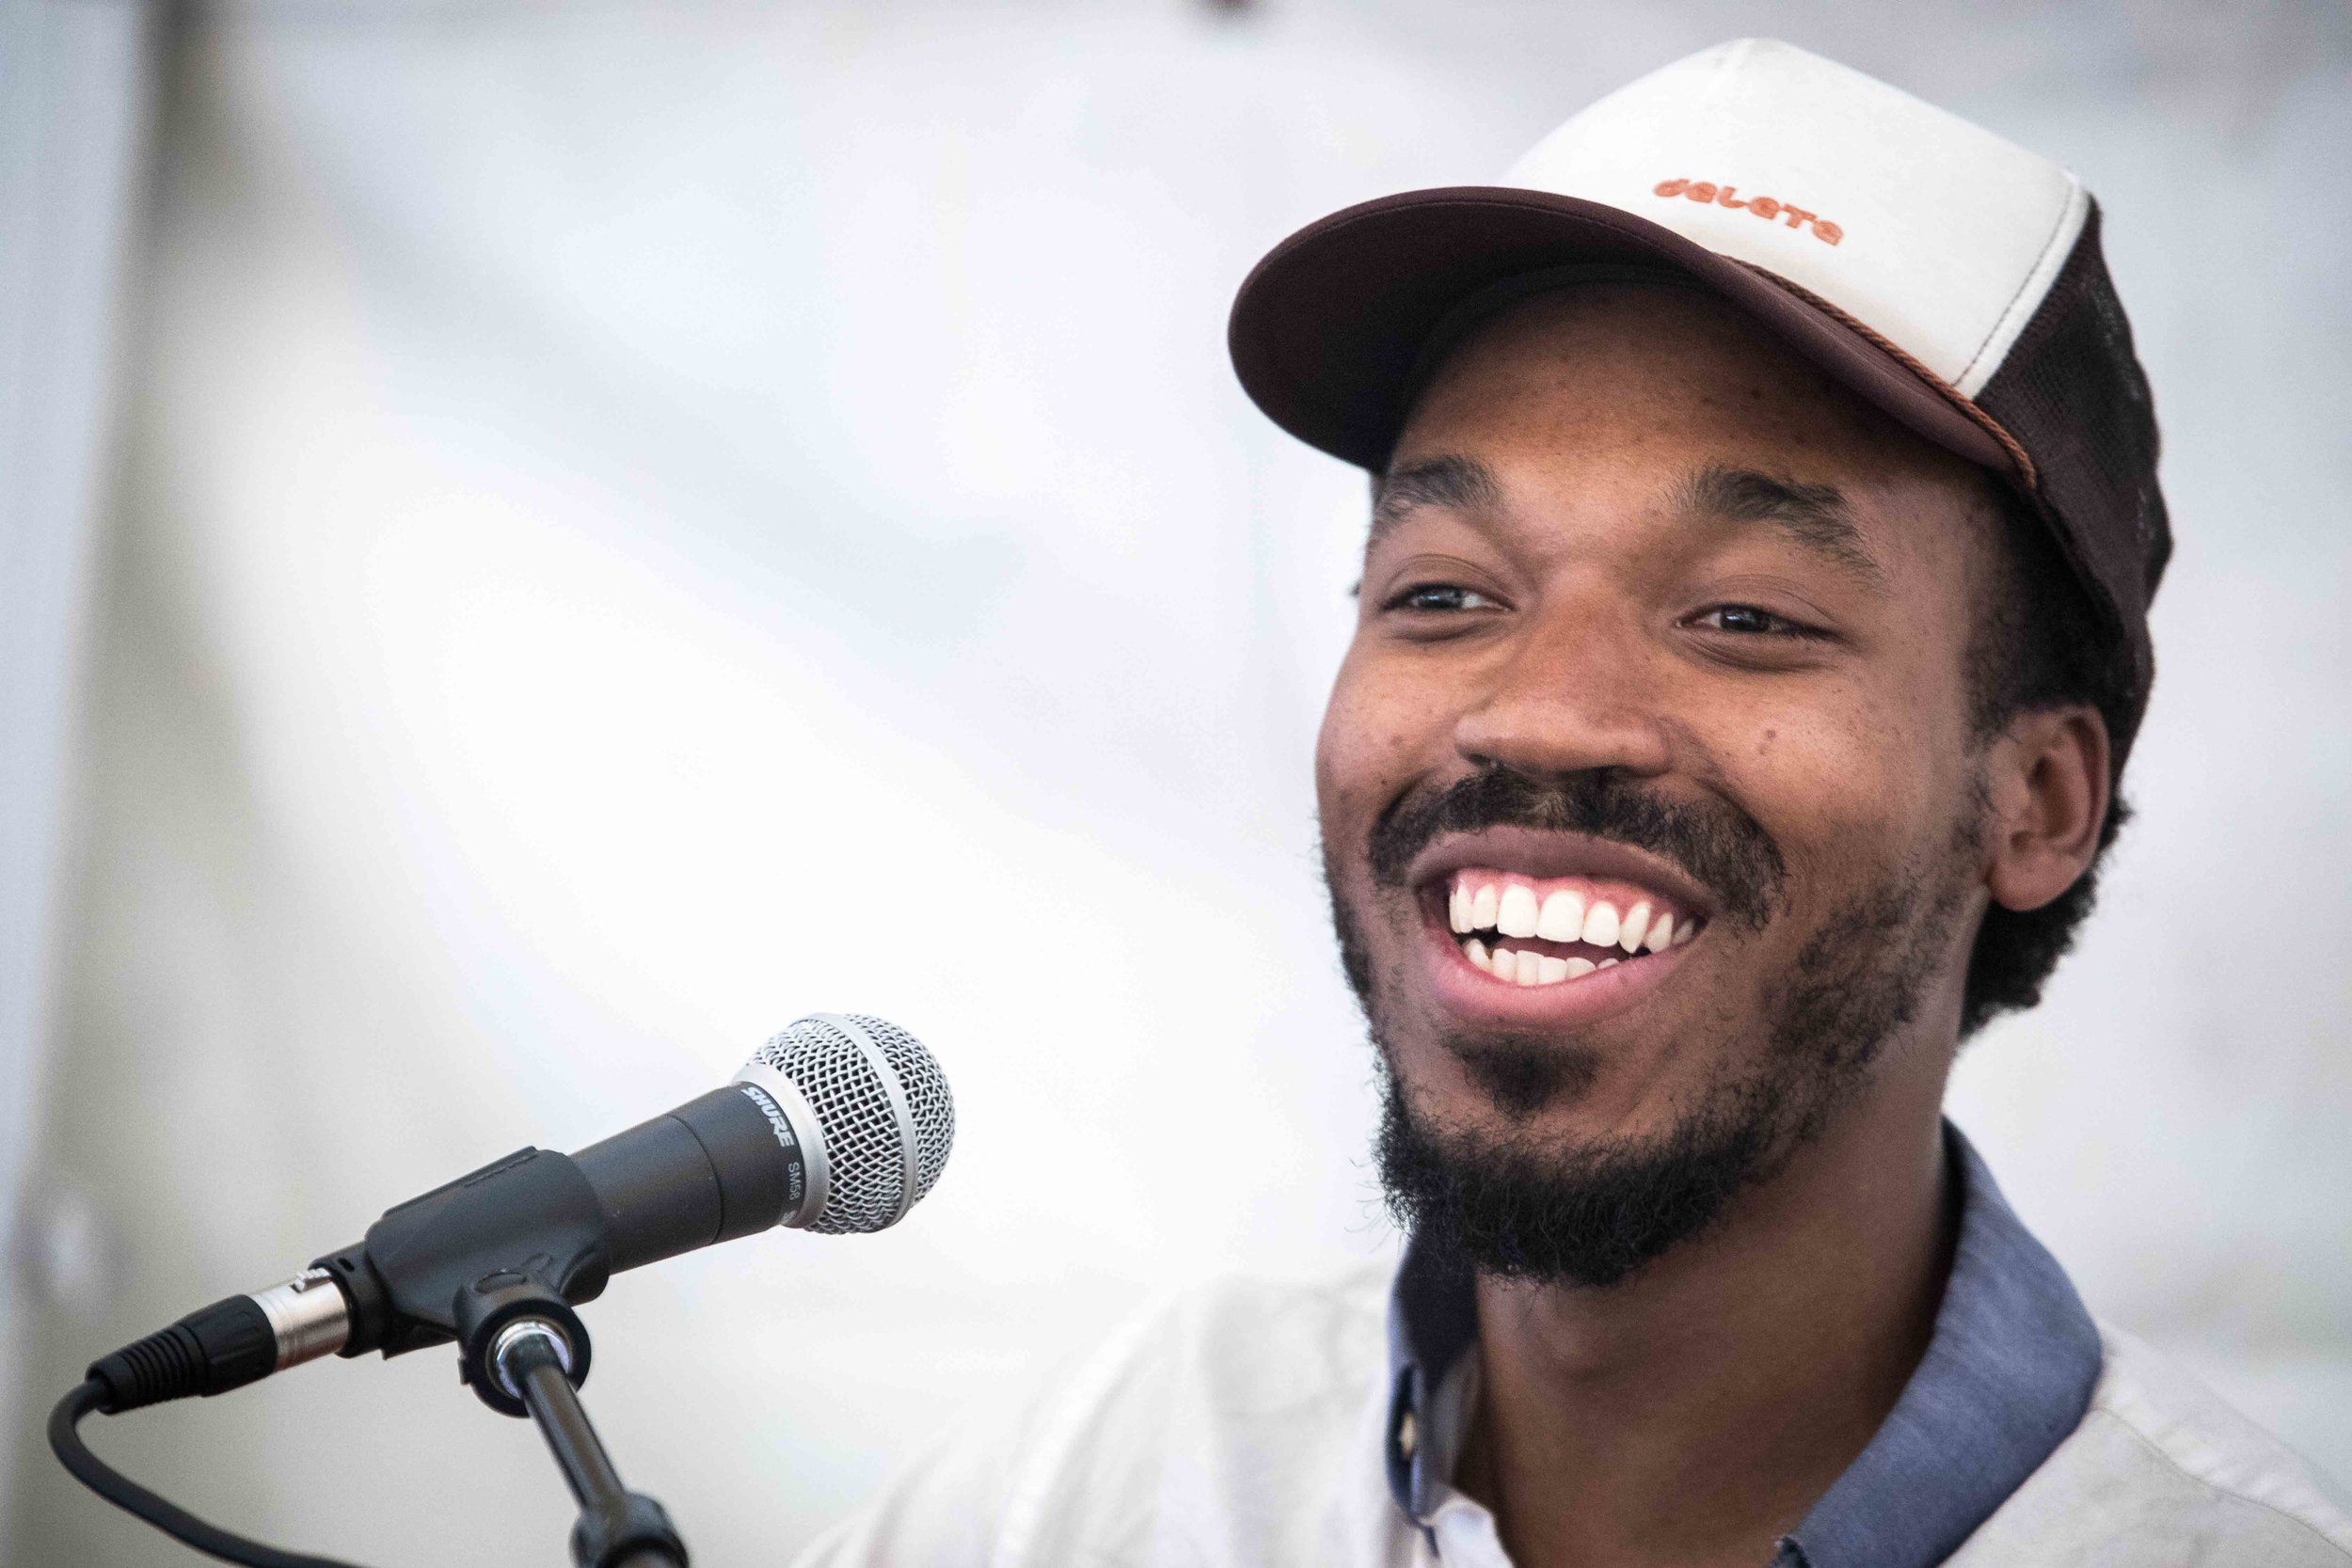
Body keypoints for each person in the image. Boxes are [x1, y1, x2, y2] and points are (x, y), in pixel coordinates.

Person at [794, 40, 2352, 1568]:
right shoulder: (1099, 1493)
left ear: (2036, 804)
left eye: (1745, 617)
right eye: (1446, 590)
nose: (1538, 708)